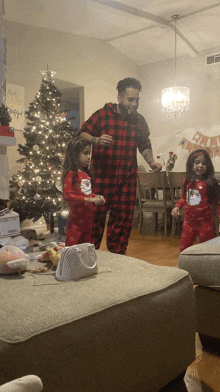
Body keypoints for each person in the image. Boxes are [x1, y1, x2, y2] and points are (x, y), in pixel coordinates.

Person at [78, 77, 162, 254]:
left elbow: (144, 144)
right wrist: (96, 139)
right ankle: (88, 257)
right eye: (130, 99)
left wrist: (151, 161)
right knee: (95, 218)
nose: (134, 103)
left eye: (137, 99)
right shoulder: (102, 115)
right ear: (119, 98)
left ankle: (118, 259)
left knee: (123, 221)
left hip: (127, 180)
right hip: (101, 178)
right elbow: (81, 133)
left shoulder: (139, 120)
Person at [171, 149, 220, 252]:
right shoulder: (187, 182)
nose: (200, 165)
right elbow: (184, 197)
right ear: (191, 164)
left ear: (208, 166)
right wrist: (177, 206)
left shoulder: (210, 183)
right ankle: (182, 265)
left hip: (206, 223)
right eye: (197, 162)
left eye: (204, 163)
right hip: (188, 222)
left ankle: (205, 267)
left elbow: (217, 203)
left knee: (207, 249)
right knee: (184, 248)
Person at [62, 138, 105, 246]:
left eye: (89, 153)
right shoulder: (71, 173)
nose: (88, 157)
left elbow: (87, 193)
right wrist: (89, 199)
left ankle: (83, 263)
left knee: (85, 247)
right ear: (75, 154)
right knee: (72, 248)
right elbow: (67, 195)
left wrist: (97, 197)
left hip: (88, 219)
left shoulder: (86, 174)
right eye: (85, 153)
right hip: (76, 221)